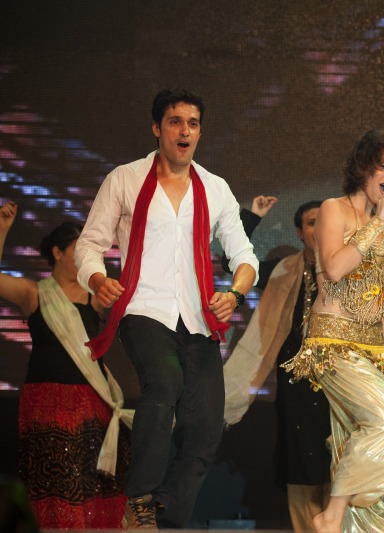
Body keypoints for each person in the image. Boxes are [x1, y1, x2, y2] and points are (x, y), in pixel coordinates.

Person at [74, 88, 259, 529]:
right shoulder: (125, 179)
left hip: (197, 316)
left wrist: (234, 294)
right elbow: (89, 245)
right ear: (157, 128)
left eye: (193, 124)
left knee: (207, 423)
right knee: (165, 384)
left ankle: (167, 513)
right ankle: (139, 497)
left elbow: (245, 256)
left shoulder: (215, 188)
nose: (185, 131)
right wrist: (98, 280)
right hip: (143, 308)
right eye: (175, 122)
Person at [281, 129, 384, 533]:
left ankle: (356, 527)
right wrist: (376, 224)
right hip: (332, 345)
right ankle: (331, 513)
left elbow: (377, 302)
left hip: (370, 347)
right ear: (363, 167)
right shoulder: (333, 209)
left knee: (355, 438)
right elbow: (336, 267)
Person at [0, 200, 132, 528]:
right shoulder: (34, 292)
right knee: (53, 480)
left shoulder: (96, 296)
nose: (85, 258)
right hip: (46, 401)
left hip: (91, 400)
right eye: (77, 251)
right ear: (58, 253)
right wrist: (1, 231)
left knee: (89, 481)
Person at [221, 196, 332, 532]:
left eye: (325, 222)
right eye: (311, 223)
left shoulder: (348, 271)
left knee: (339, 462)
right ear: (300, 232)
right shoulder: (283, 270)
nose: (319, 229)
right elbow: (233, 264)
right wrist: (252, 217)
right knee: (300, 461)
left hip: (337, 382)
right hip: (295, 385)